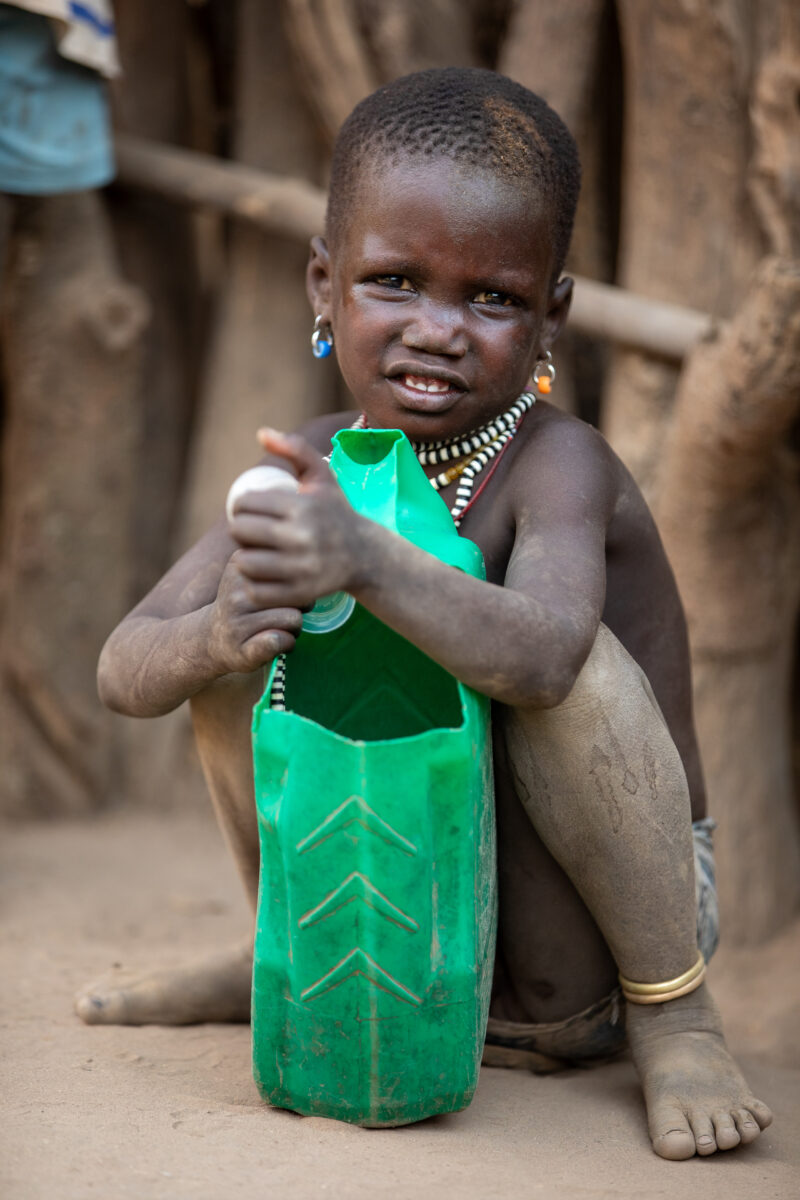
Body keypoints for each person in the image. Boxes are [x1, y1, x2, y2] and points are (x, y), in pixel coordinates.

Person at [75, 68, 772, 1160]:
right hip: (406, 932)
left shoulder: (558, 466)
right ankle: (285, 943)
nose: (437, 329)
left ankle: (673, 1015)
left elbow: (542, 664)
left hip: (583, 946)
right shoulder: (310, 464)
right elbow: (124, 668)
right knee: (235, 626)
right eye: (394, 281)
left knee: (565, 660)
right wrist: (221, 633)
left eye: (489, 298)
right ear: (324, 285)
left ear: (551, 316)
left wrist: (360, 559)